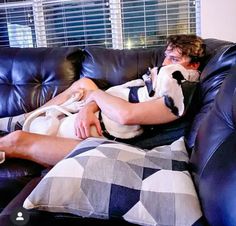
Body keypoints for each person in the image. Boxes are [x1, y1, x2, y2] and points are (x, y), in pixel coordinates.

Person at [0, 34, 206, 167]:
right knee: (84, 83)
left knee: (17, 139)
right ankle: (23, 117)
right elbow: (119, 95)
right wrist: (88, 109)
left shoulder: (181, 90)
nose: (166, 63)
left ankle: (18, 127)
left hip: (106, 142)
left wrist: (95, 97)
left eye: (175, 59)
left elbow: (126, 115)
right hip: (98, 119)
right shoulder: (157, 78)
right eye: (167, 57)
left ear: (194, 66)